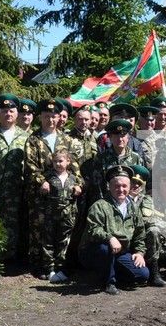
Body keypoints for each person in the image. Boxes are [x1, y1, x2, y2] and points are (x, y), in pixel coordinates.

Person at [25, 99, 81, 277]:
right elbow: (30, 165)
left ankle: (61, 266)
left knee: (63, 231)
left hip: (64, 197)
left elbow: (75, 166)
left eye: (54, 116)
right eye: (47, 116)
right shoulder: (33, 140)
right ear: (40, 117)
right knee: (41, 231)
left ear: (59, 118)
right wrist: (42, 181)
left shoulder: (67, 139)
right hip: (41, 195)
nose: (50, 120)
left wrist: (79, 184)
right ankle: (43, 266)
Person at [79, 165, 149, 295]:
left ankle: (109, 271)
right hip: (96, 250)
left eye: (124, 186)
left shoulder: (133, 207)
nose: (121, 189)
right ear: (109, 187)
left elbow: (140, 233)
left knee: (142, 274)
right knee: (104, 249)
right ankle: (108, 282)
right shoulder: (100, 206)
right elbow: (93, 230)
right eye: (116, 186)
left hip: (120, 252)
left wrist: (139, 252)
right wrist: (110, 238)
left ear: (129, 186)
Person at [0, 93, 31, 263]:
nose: (8, 114)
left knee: (14, 223)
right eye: (4, 111)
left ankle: (11, 258)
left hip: (17, 189)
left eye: (11, 111)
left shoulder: (25, 137)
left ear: (17, 114)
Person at [36, 149, 81, 283]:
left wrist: (79, 188)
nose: (58, 164)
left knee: (64, 242)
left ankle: (61, 268)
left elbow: (80, 190)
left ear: (68, 162)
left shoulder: (73, 178)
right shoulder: (47, 177)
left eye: (61, 161)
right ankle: (49, 269)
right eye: (55, 161)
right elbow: (40, 197)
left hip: (67, 217)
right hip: (50, 215)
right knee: (48, 242)